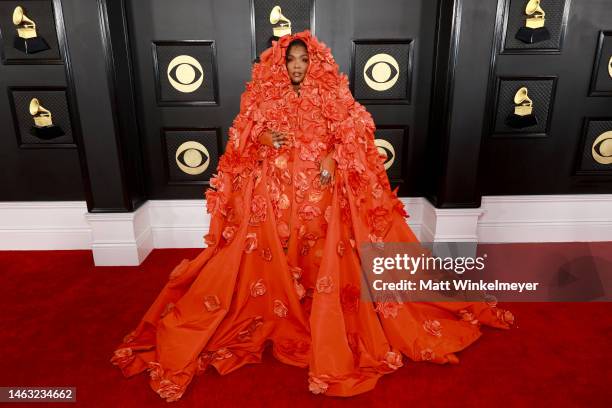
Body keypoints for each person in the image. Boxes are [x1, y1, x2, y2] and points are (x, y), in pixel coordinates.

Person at [110, 30, 514, 402]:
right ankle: (283, 305)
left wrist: (332, 158)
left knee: (322, 252)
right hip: (274, 192)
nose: (297, 66)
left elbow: (354, 137)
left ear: (315, 61)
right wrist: (265, 136)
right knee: (271, 254)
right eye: (291, 60)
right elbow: (242, 140)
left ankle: (319, 309)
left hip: (321, 194)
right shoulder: (262, 96)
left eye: (303, 59)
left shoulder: (334, 95)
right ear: (279, 64)